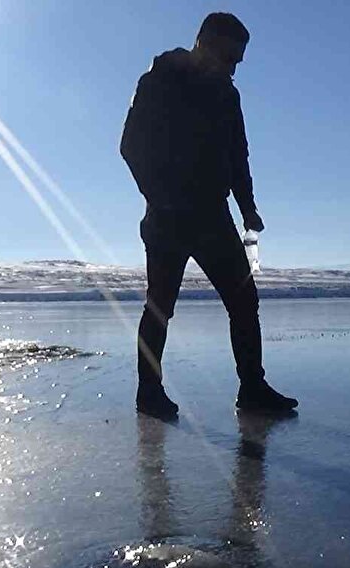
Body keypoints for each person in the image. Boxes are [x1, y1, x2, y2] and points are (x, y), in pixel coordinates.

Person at [122, 12, 298, 419]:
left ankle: (252, 389)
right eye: (228, 58)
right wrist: (161, 197)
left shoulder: (227, 96)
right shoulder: (159, 81)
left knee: (244, 301)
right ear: (202, 43)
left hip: (212, 217)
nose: (232, 69)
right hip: (166, 218)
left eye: (238, 62)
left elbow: (238, 156)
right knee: (160, 306)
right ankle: (149, 393)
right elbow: (131, 146)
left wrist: (248, 207)